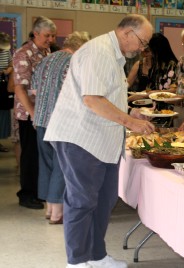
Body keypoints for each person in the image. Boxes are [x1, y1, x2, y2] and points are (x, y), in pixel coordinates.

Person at [44, 14, 155, 268]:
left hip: (101, 140)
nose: (142, 48)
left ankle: (96, 255)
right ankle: (77, 261)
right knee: (81, 202)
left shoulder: (115, 56)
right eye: (142, 42)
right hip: (82, 138)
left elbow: (107, 96)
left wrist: (128, 113)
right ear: (127, 33)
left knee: (103, 202)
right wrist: (130, 123)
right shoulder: (99, 52)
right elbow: (92, 99)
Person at [32, 31, 90, 224]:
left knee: (47, 164)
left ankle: (49, 209)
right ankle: (57, 213)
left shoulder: (46, 59)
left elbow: (33, 89)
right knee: (61, 165)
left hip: (41, 118)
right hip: (61, 122)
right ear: (81, 47)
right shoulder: (73, 62)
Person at [13, 16, 56, 209]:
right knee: (30, 155)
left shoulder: (46, 51)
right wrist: (33, 114)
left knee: (41, 154)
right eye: (47, 35)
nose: (51, 39)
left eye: (53, 36)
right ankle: (26, 194)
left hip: (44, 112)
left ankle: (38, 192)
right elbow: (20, 89)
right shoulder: (24, 54)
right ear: (35, 33)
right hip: (29, 113)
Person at [0, 32, 13, 152]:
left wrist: (7, 71)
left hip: (3, 85)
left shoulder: (6, 52)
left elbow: (11, 64)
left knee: (3, 112)